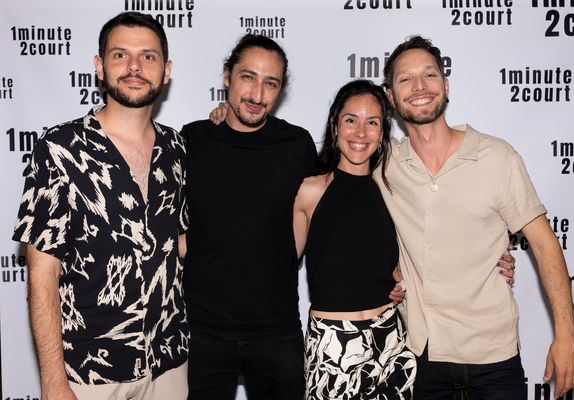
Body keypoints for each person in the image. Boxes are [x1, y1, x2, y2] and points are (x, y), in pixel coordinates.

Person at [376, 35, 574, 400]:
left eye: (429, 75)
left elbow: (545, 245)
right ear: (390, 97)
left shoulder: (496, 157)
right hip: (421, 363)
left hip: (495, 363)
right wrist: (387, 269)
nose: (419, 87)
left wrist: (566, 336)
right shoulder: (383, 163)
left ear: (446, 85)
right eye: (405, 79)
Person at [12, 12, 189, 400]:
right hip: (90, 370)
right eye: (120, 55)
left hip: (169, 362)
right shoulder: (59, 149)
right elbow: (42, 275)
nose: (134, 68)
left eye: (148, 57)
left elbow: (179, 246)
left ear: (167, 69)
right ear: (99, 66)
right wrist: (53, 382)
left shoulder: (177, 149)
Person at [180, 34, 318, 400]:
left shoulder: (298, 145)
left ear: (280, 89)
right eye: (247, 77)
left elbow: (340, 211)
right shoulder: (193, 139)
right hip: (202, 333)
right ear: (227, 76)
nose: (257, 94)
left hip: (277, 332)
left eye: (270, 83)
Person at [293, 80, 416, 400]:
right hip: (332, 346)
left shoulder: (393, 189)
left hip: (391, 340)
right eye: (351, 120)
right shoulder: (310, 190)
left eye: (372, 122)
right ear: (335, 125)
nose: (361, 133)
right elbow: (277, 267)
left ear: (382, 133)